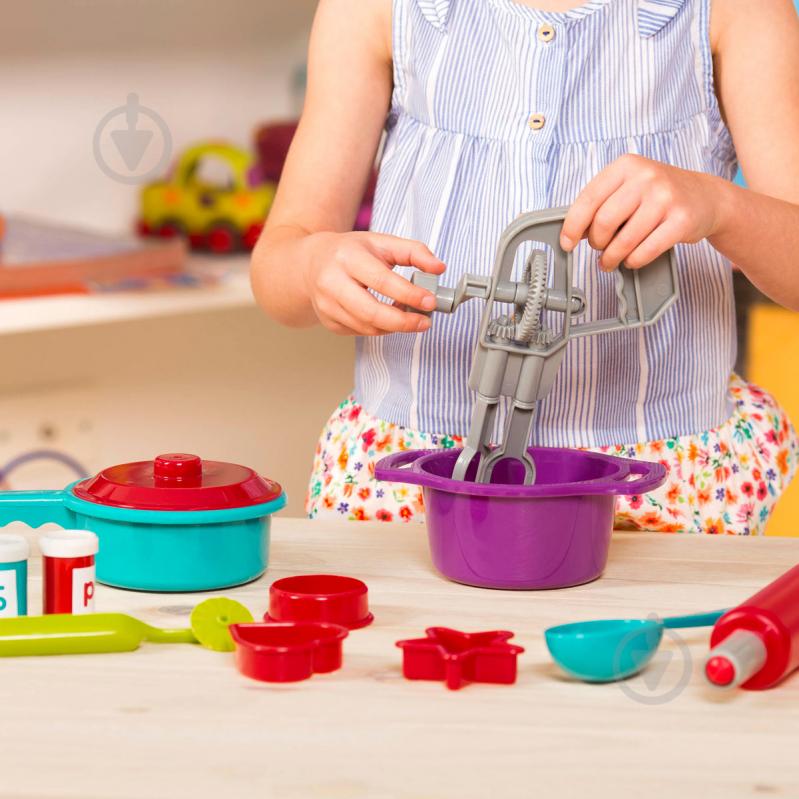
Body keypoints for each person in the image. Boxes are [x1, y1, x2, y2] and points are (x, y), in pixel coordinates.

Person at [251, 0, 799, 534]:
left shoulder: (740, 11)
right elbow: (279, 269)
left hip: (659, 487)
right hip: (415, 477)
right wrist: (311, 266)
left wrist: (721, 207)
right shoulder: (370, 10)